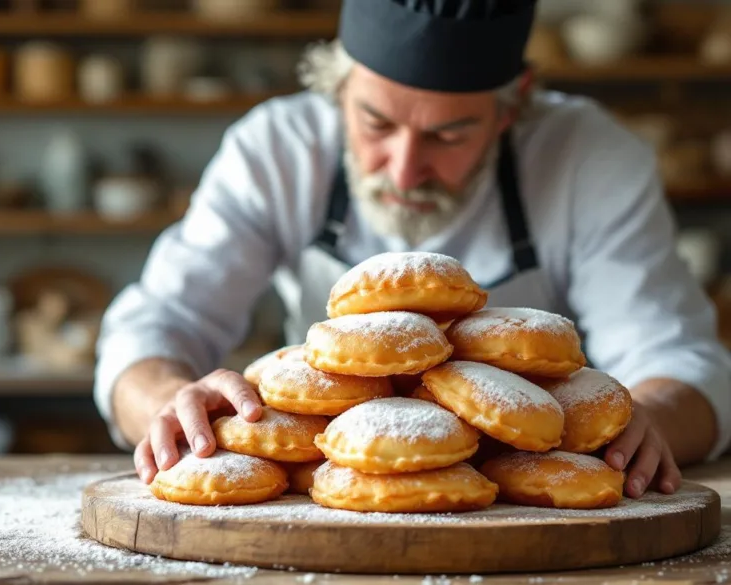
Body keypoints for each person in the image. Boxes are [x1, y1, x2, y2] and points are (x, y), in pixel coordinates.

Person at [93, 0, 731, 499]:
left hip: (519, 505)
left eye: (449, 133)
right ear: (338, 89)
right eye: (376, 123)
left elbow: (680, 354)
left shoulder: (589, 158)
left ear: (510, 109)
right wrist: (167, 401)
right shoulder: (274, 151)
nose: (403, 170)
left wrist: (647, 418)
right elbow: (154, 325)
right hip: (325, 491)